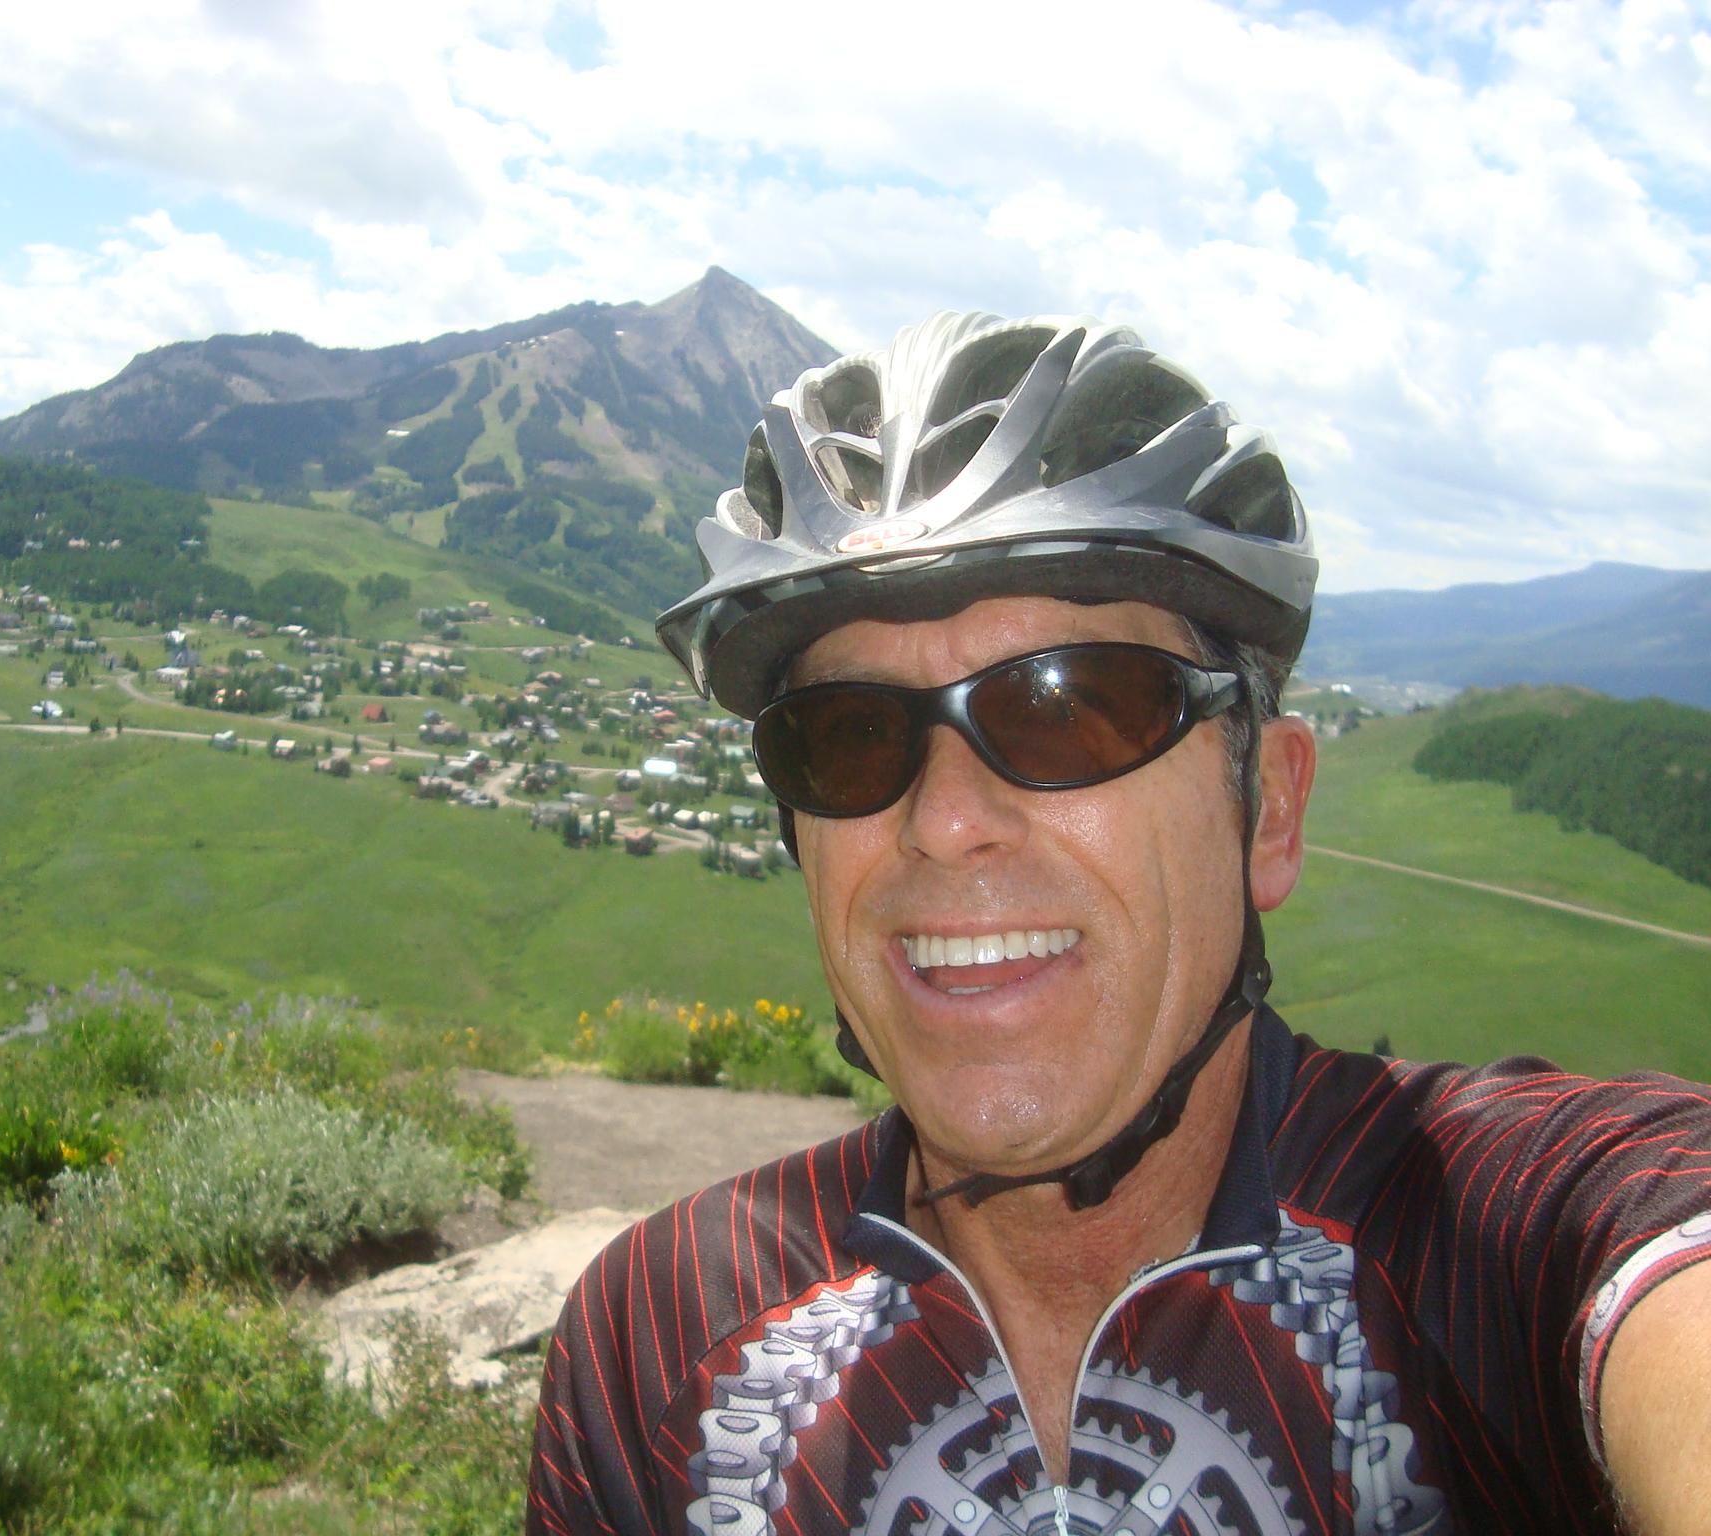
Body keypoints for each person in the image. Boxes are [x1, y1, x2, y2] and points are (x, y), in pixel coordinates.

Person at [525, 312, 1711, 1535]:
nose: (943, 822)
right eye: (848, 735)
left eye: (1068, 709)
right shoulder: (653, 1339)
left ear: (1267, 814)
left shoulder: (1515, 1240)